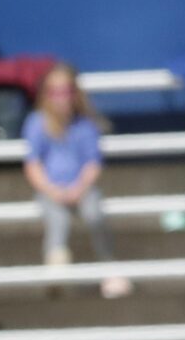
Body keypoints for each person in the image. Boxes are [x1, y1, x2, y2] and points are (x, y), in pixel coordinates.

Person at [23, 63, 130, 299]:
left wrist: (78, 188)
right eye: (55, 92)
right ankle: (56, 269)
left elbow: (93, 164)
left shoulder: (86, 125)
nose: (61, 98)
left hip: (82, 189)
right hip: (50, 190)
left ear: (75, 93)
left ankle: (109, 267)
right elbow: (33, 165)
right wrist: (52, 190)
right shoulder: (36, 122)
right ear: (46, 94)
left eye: (66, 91)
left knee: (94, 212)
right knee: (57, 219)